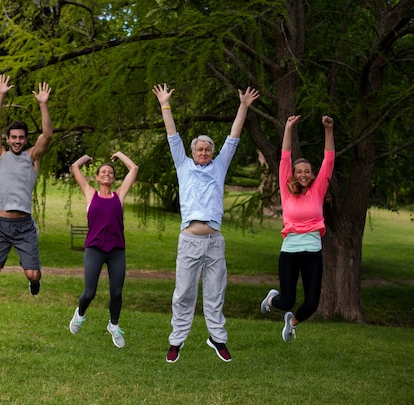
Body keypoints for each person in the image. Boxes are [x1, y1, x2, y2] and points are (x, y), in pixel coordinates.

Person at [152, 83, 260, 363]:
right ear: (192, 152)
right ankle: (176, 341)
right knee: (184, 293)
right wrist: (165, 104)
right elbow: (172, 135)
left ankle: (217, 338)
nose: (203, 152)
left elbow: (233, 136)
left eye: (207, 149)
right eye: (199, 149)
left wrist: (243, 106)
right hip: (189, 240)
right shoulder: (183, 165)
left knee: (215, 293)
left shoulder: (219, 165)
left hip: (214, 242)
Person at [0, 74, 53, 319]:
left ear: (25, 139)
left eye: (21, 137)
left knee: (33, 274)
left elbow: (47, 135)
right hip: (0, 225)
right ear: (7, 139)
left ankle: (34, 281)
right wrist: (0, 95)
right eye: (13, 137)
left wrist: (43, 103)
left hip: (24, 226)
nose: (17, 141)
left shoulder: (32, 158)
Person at [260, 115, 335, 342]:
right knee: (286, 301)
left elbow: (329, 158)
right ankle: (271, 301)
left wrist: (328, 130)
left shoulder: (318, 189)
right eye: (299, 171)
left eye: (307, 171)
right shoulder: (286, 188)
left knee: (311, 304)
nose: (303, 174)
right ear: (293, 174)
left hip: (313, 252)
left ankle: (292, 324)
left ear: (312, 175)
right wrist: (288, 127)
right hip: (290, 252)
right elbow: (285, 156)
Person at [68, 152, 139, 348]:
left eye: (110, 172)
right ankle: (80, 314)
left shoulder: (119, 195)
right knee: (89, 292)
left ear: (113, 178)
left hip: (116, 250)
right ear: (97, 177)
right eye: (103, 172)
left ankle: (113, 325)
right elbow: (75, 167)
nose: (107, 174)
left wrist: (120, 155)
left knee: (116, 292)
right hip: (95, 249)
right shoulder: (91, 194)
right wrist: (85, 158)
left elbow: (134, 169)